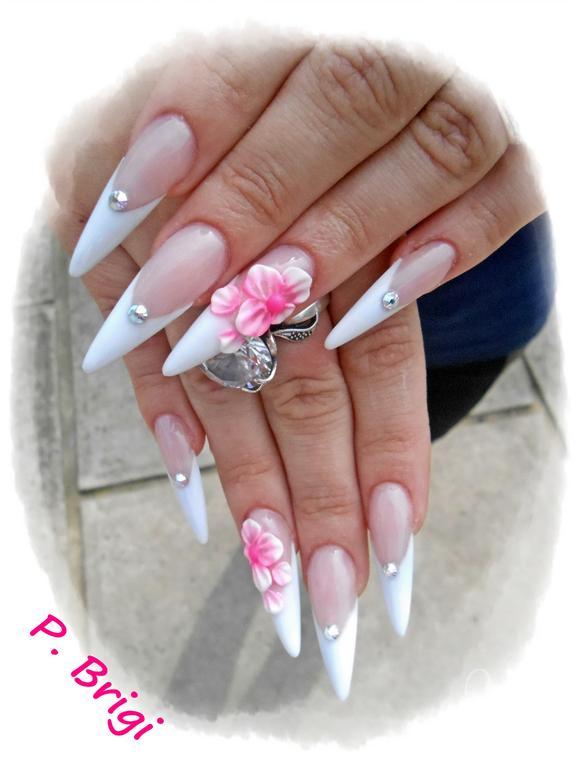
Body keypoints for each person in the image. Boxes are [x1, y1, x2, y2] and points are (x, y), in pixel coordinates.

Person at [50, 34, 552, 701]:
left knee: (371, 475)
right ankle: (298, 540)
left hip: (482, 307)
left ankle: (310, 538)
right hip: (225, 261)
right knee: (321, 487)